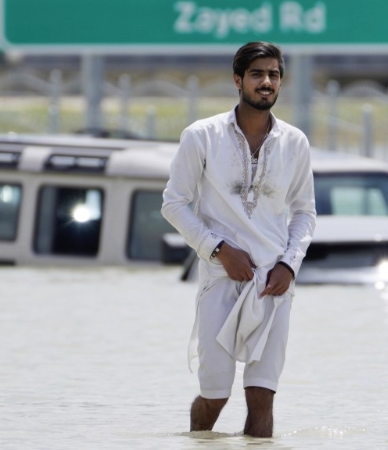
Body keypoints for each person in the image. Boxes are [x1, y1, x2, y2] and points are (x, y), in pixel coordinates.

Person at [161, 41, 316, 437]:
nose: (266, 82)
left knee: (262, 394)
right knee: (215, 394)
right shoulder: (202, 135)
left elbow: (304, 213)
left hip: (273, 283)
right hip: (221, 278)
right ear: (238, 80)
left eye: (274, 75)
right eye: (257, 74)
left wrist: (288, 266)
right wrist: (218, 249)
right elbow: (174, 204)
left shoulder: (294, 142)